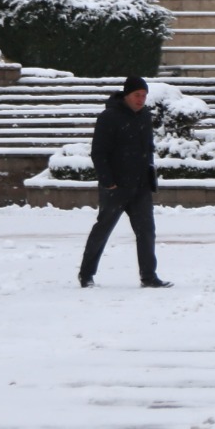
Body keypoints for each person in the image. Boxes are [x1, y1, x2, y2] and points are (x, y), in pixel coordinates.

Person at [78, 76, 169, 288]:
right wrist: (108, 182)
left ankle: (149, 276)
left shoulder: (145, 116)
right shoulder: (109, 117)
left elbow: (148, 148)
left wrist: (149, 175)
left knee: (146, 231)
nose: (141, 99)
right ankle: (86, 274)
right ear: (126, 95)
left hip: (140, 186)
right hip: (116, 187)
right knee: (103, 230)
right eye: (137, 95)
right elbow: (98, 152)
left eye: (144, 96)